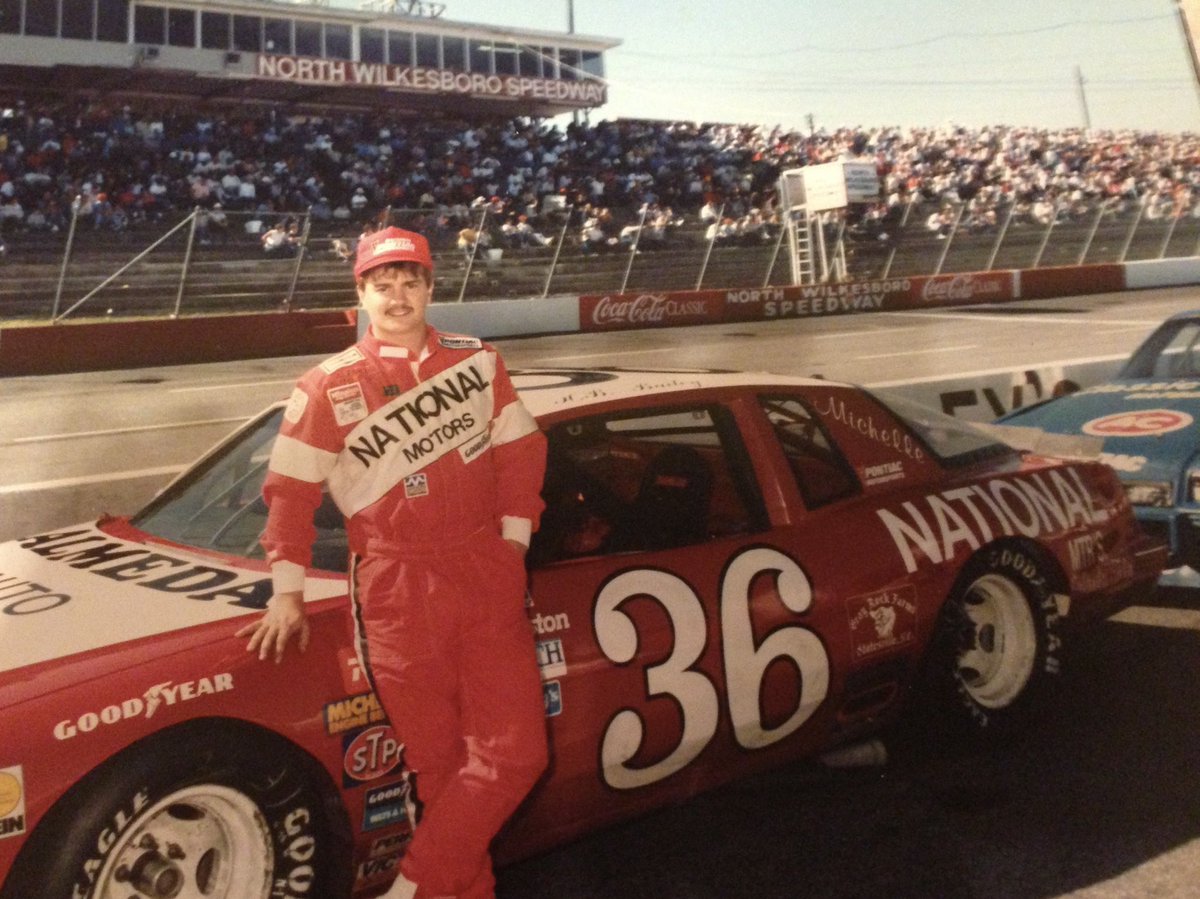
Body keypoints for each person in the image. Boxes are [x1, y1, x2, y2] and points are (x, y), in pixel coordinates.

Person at [237, 226, 548, 899]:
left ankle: (410, 887)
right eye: (384, 282)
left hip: (480, 566)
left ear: (432, 288)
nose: (398, 294)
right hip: (393, 582)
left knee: (517, 753)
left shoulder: (479, 362)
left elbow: (523, 453)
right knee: (439, 773)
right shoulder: (327, 384)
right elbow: (288, 494)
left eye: (411, 280)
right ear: (361, 293)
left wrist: (515, 545)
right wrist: (285, 589)